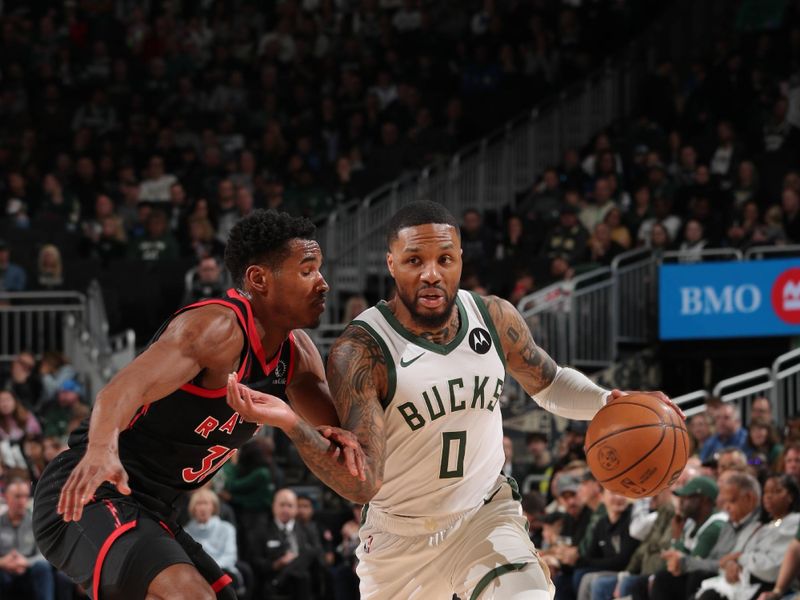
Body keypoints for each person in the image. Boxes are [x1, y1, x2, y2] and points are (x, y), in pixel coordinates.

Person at [227, 200, 682, 599]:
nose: (431, 273)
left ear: (460, 259)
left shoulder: (493, 316)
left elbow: (549, 382)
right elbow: (361, 483)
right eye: (414, 260)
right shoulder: (361, 351)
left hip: (484, 514)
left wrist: (608, 401)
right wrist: (291, 424)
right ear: (390, 263)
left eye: (445, 259)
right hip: (400, 538)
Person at [32, 210, 363, 600]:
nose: (323, 283)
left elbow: (342, 451)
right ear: (259, 279)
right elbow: (119, 391)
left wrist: (292, 421)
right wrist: (102, 449)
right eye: (307, 271)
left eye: (320, 270)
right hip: (87, 492)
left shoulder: (298, 356)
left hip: (154, 509)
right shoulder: (216, 329)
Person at [0, 478, 54, 600]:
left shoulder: (37, 523)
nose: (22, 501)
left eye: (25, 496)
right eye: (17, 496)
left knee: (43, 568)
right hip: (4, 570)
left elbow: (45, 556)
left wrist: (26, 562)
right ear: (6, 497)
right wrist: (3, 562)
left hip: (29, 569)